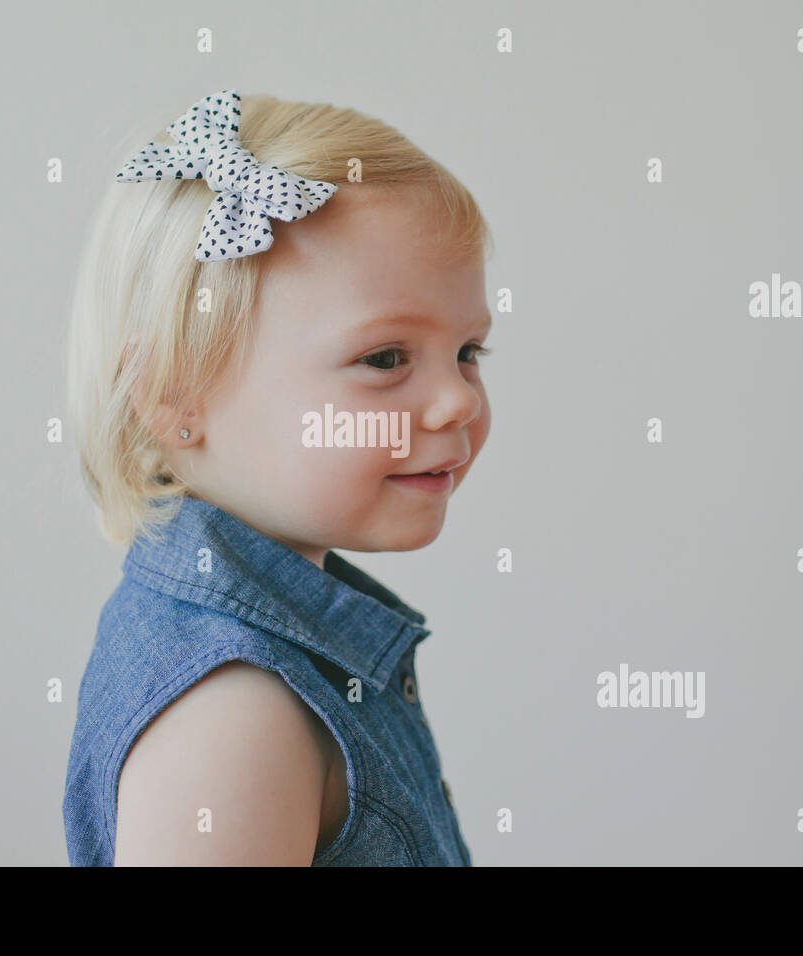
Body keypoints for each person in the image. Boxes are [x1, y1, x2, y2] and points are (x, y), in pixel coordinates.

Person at [62, 89, 493, 865]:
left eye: (469, 352)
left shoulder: (282, 658)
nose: (459, 398)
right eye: (385, 359)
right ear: (173, 394)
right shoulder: (235, 714)